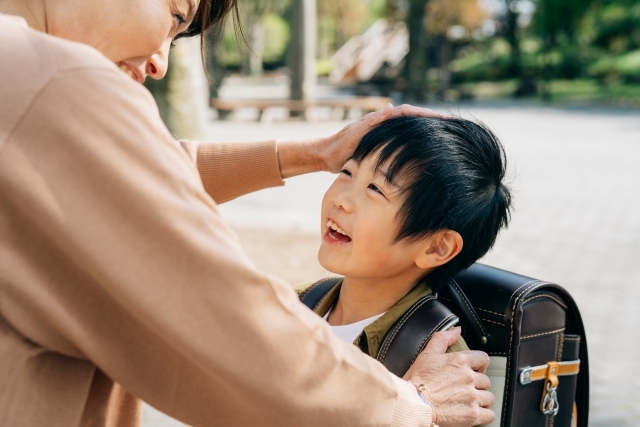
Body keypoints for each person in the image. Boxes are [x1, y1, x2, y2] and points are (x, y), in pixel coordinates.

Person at [0, 1, 495, 426]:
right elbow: (230, 325)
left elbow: (110, 177)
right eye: (175, 15)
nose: (160, 65)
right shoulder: (54, 79)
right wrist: (411, 407)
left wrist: (316, 153)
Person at [298, 115, 511, 361]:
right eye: (347, 172)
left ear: (436, 247)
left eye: (375, 189)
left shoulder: (439, 364)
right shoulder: (294, 303)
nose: (341, 200)